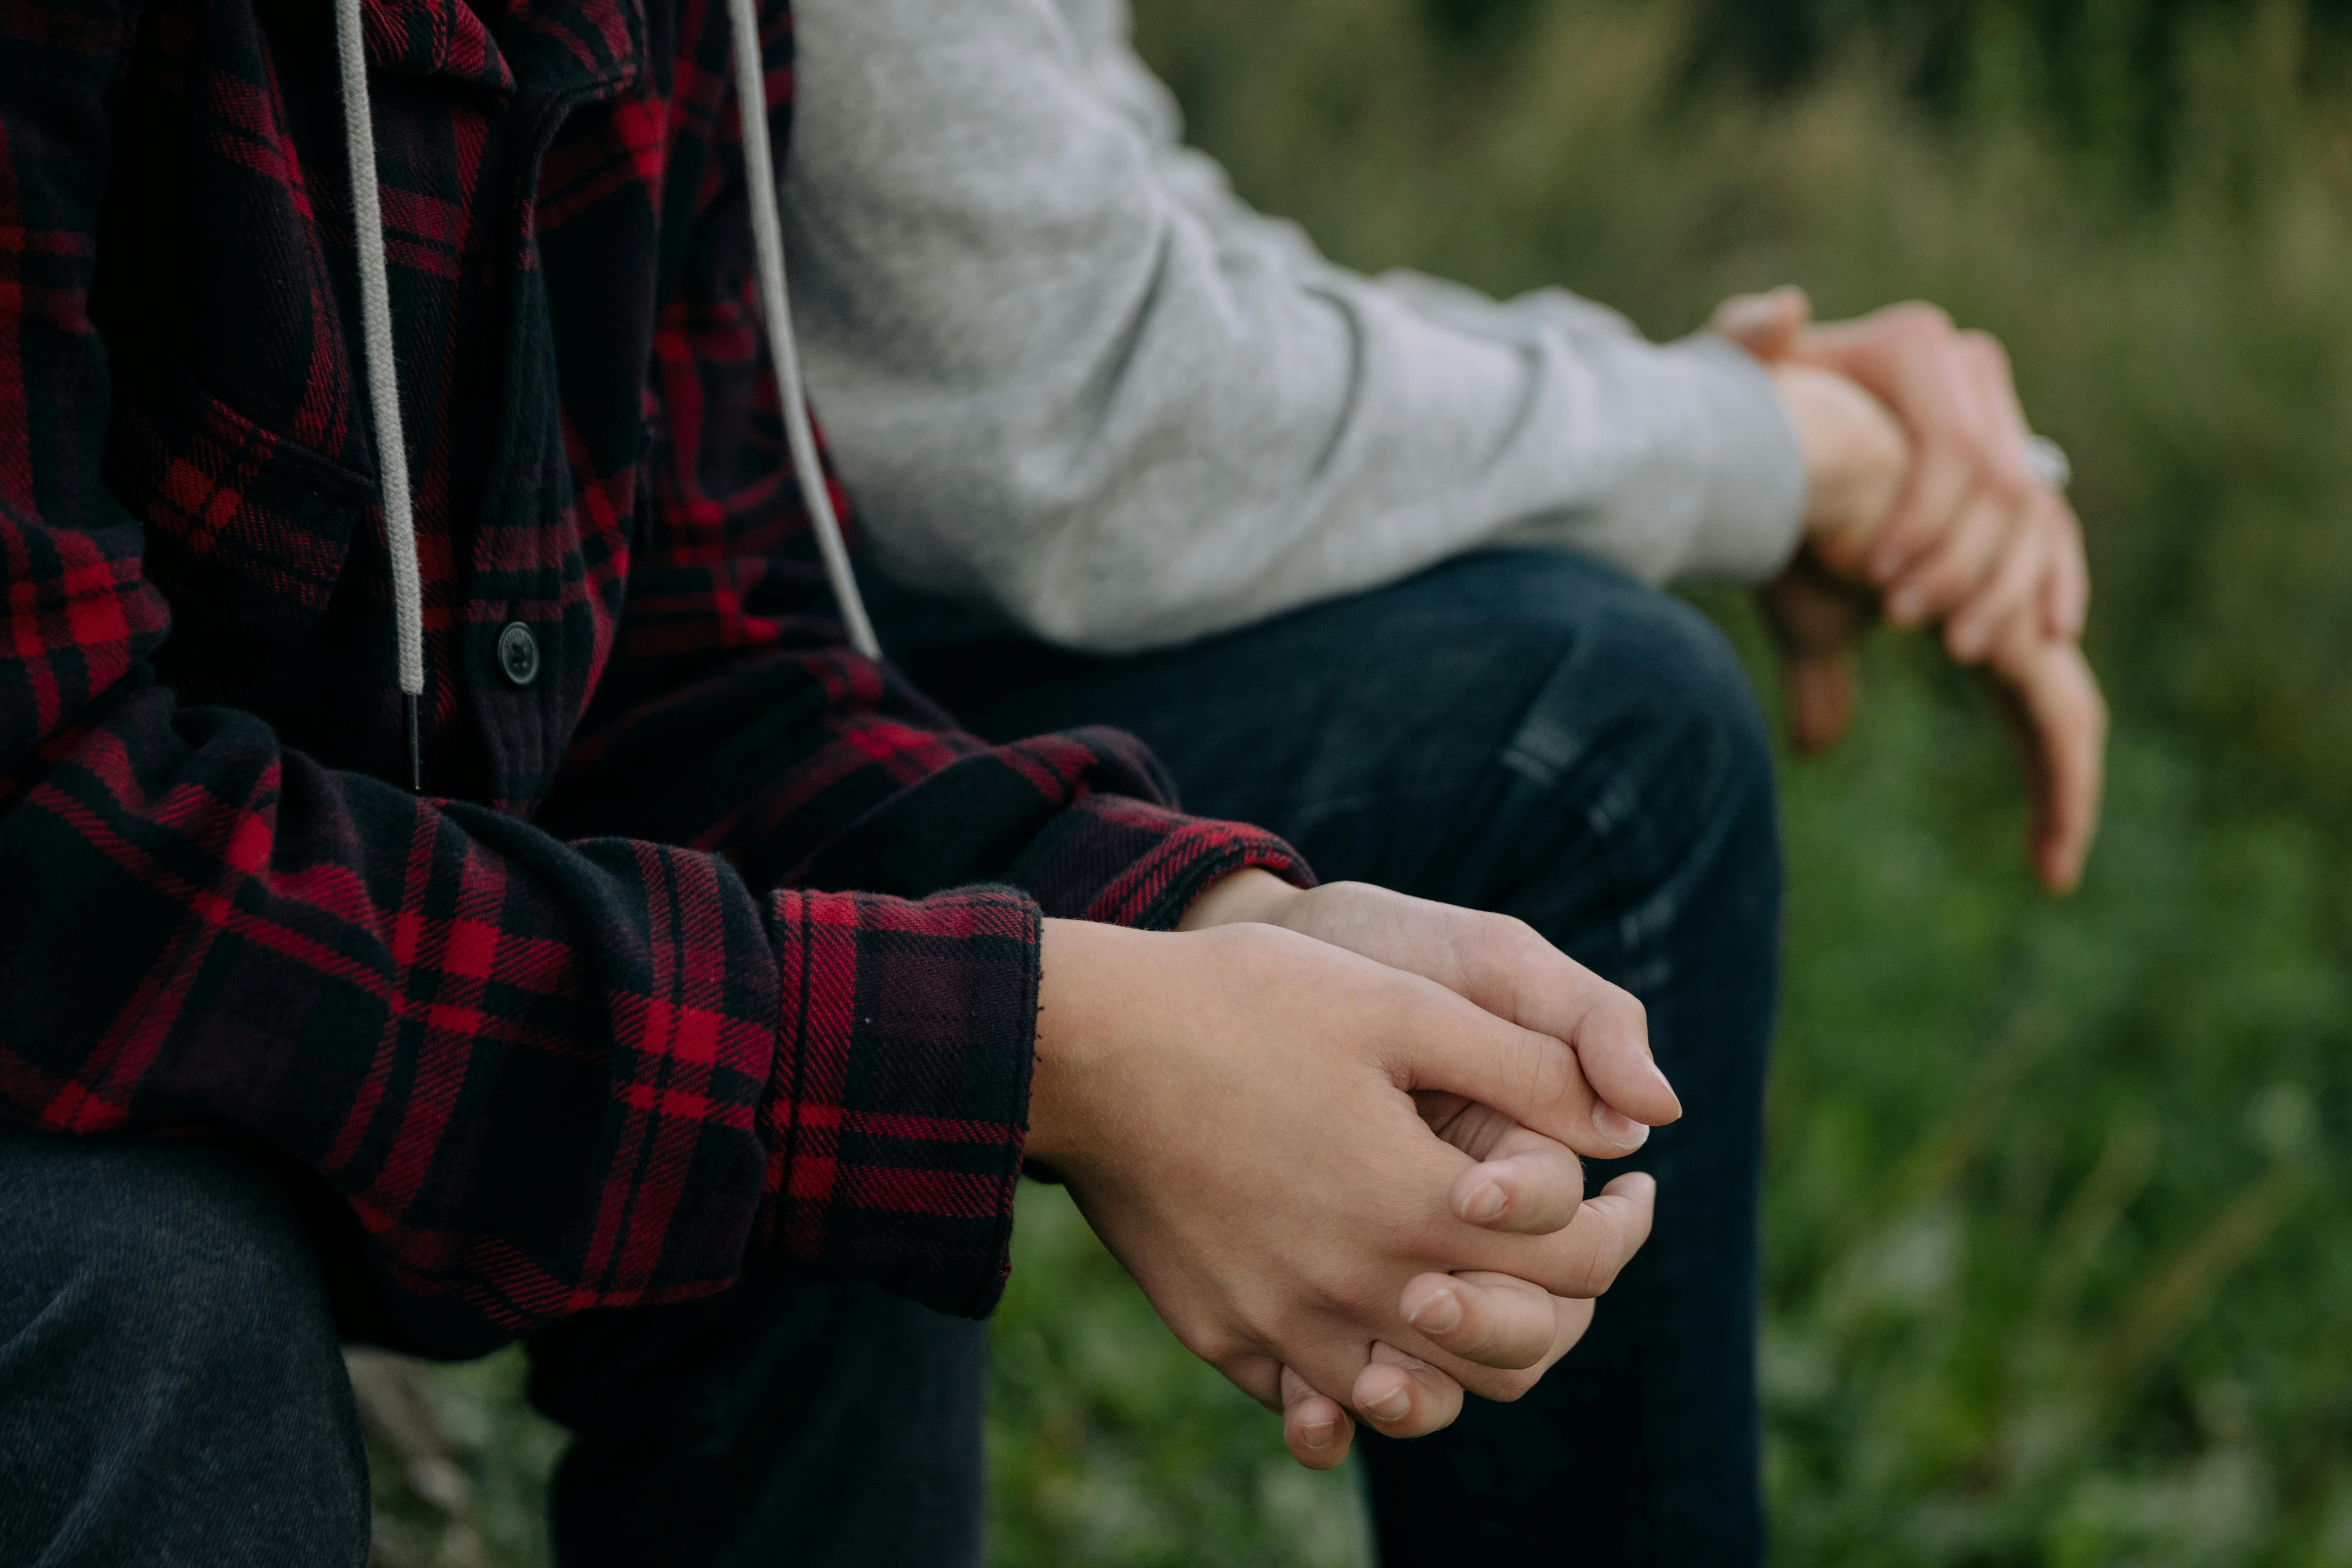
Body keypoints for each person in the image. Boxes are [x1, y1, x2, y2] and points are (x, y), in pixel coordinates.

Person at [0, 2, 1675, 1565]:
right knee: (152, 1289)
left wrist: (1211, 920)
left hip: (317, 895)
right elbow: (54, 859)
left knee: (846, 1148)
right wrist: (1052, 1042)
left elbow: (695, 644)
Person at [767, 0, 2109, 1559]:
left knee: (1602, 707)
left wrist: (1758, 430)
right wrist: (1785, 453)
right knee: (1596, 727)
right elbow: (1074, 406)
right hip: (691, 672)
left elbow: (1133, 245)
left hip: (781, 625)